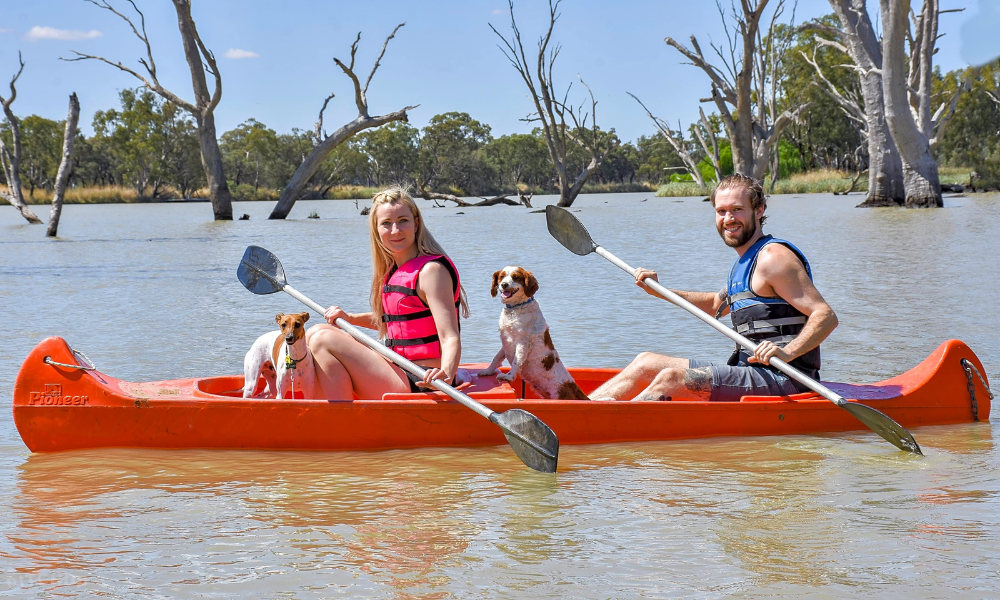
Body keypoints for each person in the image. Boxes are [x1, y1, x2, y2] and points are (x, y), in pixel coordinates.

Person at [591, 173, 838, 402]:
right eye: (721, 211)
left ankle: (600, 426)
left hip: (787, 379)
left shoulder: (773, 257)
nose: (728, 219)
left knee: (671, 379)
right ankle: (579, 409)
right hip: (750, 370)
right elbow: (714, 305)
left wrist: (787, 352)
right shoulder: (745, 262)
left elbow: (825, 316)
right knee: (646, 362)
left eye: (737, 210)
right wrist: (659, 290)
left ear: (759, 210)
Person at [306, 187, 469, 400]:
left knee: (322, 340)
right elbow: (398, 323)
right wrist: (349, 318)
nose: (395, 230)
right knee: (315, 331)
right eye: (386, 223)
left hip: (423, 380)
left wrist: (446, 373)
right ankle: (334, 409)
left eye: (403, 220)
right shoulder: (393, 270)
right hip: (397, 367)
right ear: (376, 229)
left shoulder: (431, 271)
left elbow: (449, 336)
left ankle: (341, 420)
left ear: (416, 223)